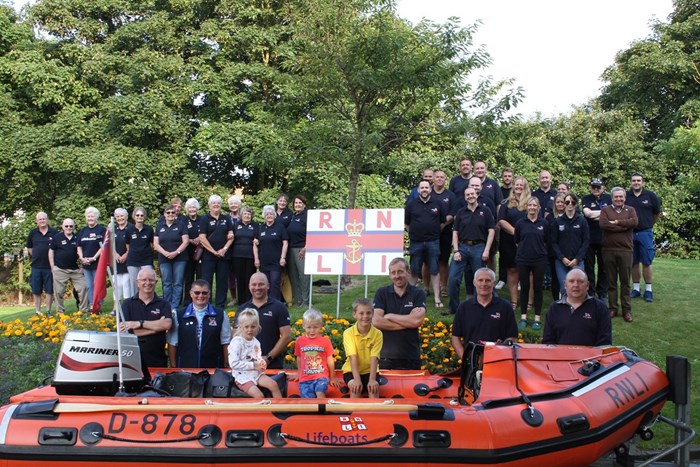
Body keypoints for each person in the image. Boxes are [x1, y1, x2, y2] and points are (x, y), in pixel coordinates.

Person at [447, 187, 495, 315]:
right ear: (464, 197)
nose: (470, 196)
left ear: (477, 194)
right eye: (467, 195)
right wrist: (456, 250)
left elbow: (491, 231)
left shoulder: (486, 211)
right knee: (453, 278)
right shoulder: (461, 212)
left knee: (480, 279)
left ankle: (477, 307)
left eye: (472, 194)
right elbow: (455, 232)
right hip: (462, 248)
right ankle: (454, 308)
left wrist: (487, 250)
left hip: (479, 247)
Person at [372, 257, 427, 370]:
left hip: (411, 357)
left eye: (400, 271)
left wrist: (390, 316)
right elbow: (376, 321)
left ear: (408, 272)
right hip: (385, 357)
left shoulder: (418, 293)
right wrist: (408, 322)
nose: (397, 276)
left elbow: (416, 321)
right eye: (393, 272)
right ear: (390, 275)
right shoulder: (381, 293)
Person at [451, 268, 517, 358]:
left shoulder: (505, 307)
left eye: (488, 280)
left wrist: (501, 352)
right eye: (480, 280)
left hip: (497, 361)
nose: (484, 284)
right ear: (474, 283)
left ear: (494, 283)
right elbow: (455, 337)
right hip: (471, 363)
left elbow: (512, 338)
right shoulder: (464, 307)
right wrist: (466, 360)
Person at [168, 279, 231, 368]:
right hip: (185, 368)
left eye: (204, 293)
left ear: (209, 294)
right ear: (191, 293)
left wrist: (226, 365)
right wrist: (173, 366)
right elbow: (172, 343)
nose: (200, 296)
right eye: (197, 293)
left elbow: (226, 342)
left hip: (213, 368)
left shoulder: (220, 314)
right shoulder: (178, 315)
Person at [404, 180, 447, 308]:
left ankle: (437, 299)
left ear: (430, 189)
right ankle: (409, 299)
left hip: (433, 241)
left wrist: (432, 232)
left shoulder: (438, 203)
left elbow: (442, 222)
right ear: (418, 190)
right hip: (416, 242)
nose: (424, 189)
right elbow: (407, 224)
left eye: (426, 187)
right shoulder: (411, 205)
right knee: (414, 270)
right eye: (422, 187)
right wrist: (416, 233)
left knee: (434, 269)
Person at [235, 272, 292, 369]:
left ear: (268, 286)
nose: (257, 287)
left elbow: (286, 336)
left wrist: (268, 358)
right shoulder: (242, 309)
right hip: (247, 367)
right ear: (249, 286)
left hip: (273, 365)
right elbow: (236, 336)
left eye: (261, 284)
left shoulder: (279, 307)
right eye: (254, 284)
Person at [543, 269, 612, 346]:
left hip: (592, 357)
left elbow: (604, 343)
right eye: (571, 281)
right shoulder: (554, 309)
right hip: (560, 357)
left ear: (587, 285)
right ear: (565, 284)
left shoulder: (600, 308)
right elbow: (548, 342)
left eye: (580, 281)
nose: (576, 285)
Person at [120, 268, 173, 369]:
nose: (148, 283)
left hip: (158, 361)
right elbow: (124, 331)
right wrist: (155, 329)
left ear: (156, 282)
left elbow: (167, 324)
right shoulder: (128, 304)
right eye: (144, 280)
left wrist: (139, 324)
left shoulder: (164, 304)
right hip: (132, 362)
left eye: (151, 280)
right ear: (137, 283)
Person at [600, 187, 638, 323]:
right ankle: (613, 308)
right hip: (608, 250)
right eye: (616, 197)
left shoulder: (631, 210)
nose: (618, 199)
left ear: (625, 198)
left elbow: (634, 222)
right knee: (611, 282)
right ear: (612, 198)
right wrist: (624, 226)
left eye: (621, 197)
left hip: (625, 250)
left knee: (625, 282)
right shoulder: (605, 210)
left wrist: (616, 222)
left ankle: (626, 310)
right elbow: (604, 225)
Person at [228, 308, 283, 398]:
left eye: (253, 327)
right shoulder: (237, 342)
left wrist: (261, 363)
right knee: (259, 395)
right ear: (241, 327)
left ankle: (281, 410)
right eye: (246, 327)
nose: (250, 330)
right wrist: (253, 365)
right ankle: (262, 411)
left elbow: (257, 358)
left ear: (257, 327)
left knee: (274, 385)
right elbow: (233, 363)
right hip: (242, 376)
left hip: (255, 373)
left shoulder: (256, 342)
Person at [514, 196, 548, 331]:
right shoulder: (520, 223)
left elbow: (546, 240)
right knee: (525, 287)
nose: (532, 208)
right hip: (523, 259)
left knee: (538, 288)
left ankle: (537, 319)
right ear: (526, 207)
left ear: (538, 207)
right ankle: (523, 317)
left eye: (535, 205)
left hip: (539, 259)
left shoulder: (544, 223)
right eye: (530, 205)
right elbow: (517, 240)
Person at [626, 173, 661, 302]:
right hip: (629, 233)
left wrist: (648, 224)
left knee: (647, 262)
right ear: (631, 182)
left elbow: (656, 214)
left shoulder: (651, 196)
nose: (636, 182)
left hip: (645, 233)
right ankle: (636, 289)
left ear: (643, 182)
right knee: (633, 262)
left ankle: (648, 290)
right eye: (634, 180)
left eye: (638, 180)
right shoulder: (626, 196)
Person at [497, 176, 530, 310]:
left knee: (529, 272)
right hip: (509, 242)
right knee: (512, 270)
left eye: (521, 185)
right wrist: (516, 233)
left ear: (525, 187)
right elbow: (501, 220)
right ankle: (514, 301)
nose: (518, 187)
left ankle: (528, 301)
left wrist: (523, 236)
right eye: (516, 185)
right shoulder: (506, 203)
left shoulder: (531, 202)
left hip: (527, 242)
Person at [293, 308, 340, 398]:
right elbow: (299, 358)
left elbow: (330, 360)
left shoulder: (325, 341)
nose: (312, 330)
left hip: (321, 376)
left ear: (321, 326)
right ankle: (312, 412)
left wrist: (332, 376)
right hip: (305, 378)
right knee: (308, 399)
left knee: (320, 393)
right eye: (309, 327)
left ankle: (322, 411)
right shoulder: (300, 341)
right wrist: (299, 373)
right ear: (303, 326)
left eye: (315, 327)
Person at [342, 298, 383, 398]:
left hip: (370, 371)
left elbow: (374, 358)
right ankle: (353, 412)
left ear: (373, 313)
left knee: (373, 389)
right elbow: (353, 357)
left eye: (368, 313)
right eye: (361, 313)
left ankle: (373, 413)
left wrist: (372, 380)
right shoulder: (348, 333)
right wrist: (357, 380)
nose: (365, 316)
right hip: (351, 371)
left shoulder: (377, 334)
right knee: (355, 388)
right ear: (354, 314)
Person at [199, 194, 234, 308]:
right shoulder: (204, 219)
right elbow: (202, 238)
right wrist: (213, 251)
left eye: (218, 203)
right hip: (208, 256)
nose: (216, 205)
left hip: (224, 256)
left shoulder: (226, 218)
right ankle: (206, 303)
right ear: (209, 205)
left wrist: (224, 249)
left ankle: (220, 304)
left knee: (222, 281)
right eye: (214, 203)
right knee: (207, 281)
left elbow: (231, 236)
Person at [551, 194, 589, 296]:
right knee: (564, 288)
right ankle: (564, 309)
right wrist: (562, 257)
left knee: (578, 288)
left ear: (576, 204)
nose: (570, 204)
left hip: (577, 260)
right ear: (564, 204)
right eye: (567, 202)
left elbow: (586, 241)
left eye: (573, 202)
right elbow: (553, 242)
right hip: (561, 261)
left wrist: (577, 258)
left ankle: (578, 310)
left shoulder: (582, 221)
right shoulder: (557, 221)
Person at [48, 218, 89, 313]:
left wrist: (82, 266)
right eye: (66, 226)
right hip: (60, 269)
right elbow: (51, 251)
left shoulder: (77, 238)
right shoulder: (57, 237)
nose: (68, 228)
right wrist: (52, 266)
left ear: (74, 227)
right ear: (62, 226)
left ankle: (83, 310)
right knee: (58, 292)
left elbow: (82, 252)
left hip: (75, 270)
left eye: (71, 226)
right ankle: (60, 312)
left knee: (83, 288)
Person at [582, 178, 612, 300]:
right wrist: (604, 214)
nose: (595, 189)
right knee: (589, 266)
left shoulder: (609, 198)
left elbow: (611, 214)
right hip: (589, 238)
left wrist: (597, 214)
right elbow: (587, 214)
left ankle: (602, 292)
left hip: (604, 237)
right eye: (593, 187)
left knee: (603, 267)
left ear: (603, 188)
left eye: (598, 187)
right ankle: (590, 291)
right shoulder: (586, 198)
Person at [154, 204, 189, 308]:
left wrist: (176, 252)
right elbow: (155, 243)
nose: (170, 214)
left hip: (180, 258)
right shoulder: (159, 226)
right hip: (164, 258)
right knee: (166, 283)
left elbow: (186, 241)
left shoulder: (181, 225)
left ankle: (175, 305)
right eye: (168, 212)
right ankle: (166, 304)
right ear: (164, 214)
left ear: (176, 214)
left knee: (178, 283)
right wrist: (164, 253)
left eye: (172, 212)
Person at [26, 212, 58, 315]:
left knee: (49, 290)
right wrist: (36, 255)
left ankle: (48, 311)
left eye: (44, 219)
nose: (42, 221)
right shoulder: (33, 233)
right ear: (37, 221)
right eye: (40, 219)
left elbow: (58, 248)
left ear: (47, 220)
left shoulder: (54, 232)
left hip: (50, 267)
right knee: (36, 290)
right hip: (36, 266)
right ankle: (38, 311)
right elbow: (29, 248)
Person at [255, 205, 288, 301]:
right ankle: (266, 301)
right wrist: (256, 259)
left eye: (271, 214)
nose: (269, 216)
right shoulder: (260, 228)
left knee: (274, 282)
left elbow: (285, 243)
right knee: (265, 283)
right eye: (267, 214)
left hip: (276, 261)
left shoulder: (280, 227)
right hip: (264, 261)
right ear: (264, 216)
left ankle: (275, 302)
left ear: (274, 215)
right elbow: (255, 243)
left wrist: (283, 257)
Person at [431, 170, 456, 297]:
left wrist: (442, 225)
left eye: (442, 177)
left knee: (443, 260)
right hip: (428, 233)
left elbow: (452, 214)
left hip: (445, 232)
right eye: (437, 177)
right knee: (427, 261)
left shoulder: (450, 195)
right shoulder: (427, 192)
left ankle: (443, 287)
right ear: (433, 179)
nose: (440, 179)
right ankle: (425, 287)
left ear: (445, 179)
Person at [77, 206, 106, 310]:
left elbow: (104, 246)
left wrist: (94, 258)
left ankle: (99, 305)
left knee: (98, 285)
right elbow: (79, 246)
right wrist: (82, 258)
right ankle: (92, 305)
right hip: (86, 264)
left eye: (92, 216)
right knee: (89, 286)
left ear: (96, 217)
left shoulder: (102, 230)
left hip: (98, 263)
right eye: (88, 216)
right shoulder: (83, 231)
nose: (90, 218)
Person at [287, 195, 311, 306]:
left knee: (304, 275)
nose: (297, 205)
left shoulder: (307, 216)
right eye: (296, 203)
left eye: (300, 203)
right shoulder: (293, 216)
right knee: (293, 275)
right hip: (291, 249)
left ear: (304, 204)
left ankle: (306, 300)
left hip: (301, 249)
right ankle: (298, 299)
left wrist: (305, 247)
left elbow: (311, 233)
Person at [232, 206, 258, 305]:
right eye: (245, 214)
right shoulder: (235, 225)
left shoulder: (255, 225)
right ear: (241, 215)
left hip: (250, 256)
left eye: (249, 214)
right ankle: (241, 301)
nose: (247, 216)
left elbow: (257, 239)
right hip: (237, 255)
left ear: (251, 216)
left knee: (249, 278)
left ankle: (250, 300)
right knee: (239, 278)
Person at [126, 206, 155, 297]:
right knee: (134, 282)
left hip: (146, 259)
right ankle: (134, 302)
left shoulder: (149, 229)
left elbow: (152, 244)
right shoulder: (129, 229)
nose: (139, 217)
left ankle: (148, 299)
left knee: (148, 281)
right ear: (134, 216)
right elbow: (127, 244)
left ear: (144, 217)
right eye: (137, 215)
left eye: (141, 215)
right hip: (133, 260)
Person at [183, 198, 202, 305]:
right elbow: (181, 234)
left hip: (200, 252)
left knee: (200, 276)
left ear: (197, 208)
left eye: (194, 207)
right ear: (187, 209)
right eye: (190, 207)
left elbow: (206, 231)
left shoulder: (202, 219)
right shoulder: (183, 221)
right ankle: (187, 300)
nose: (192, 209)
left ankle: (200, 297)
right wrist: (190, 240)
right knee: (188, 277)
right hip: (187, 252)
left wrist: (200, 239)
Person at [112, 208, 132, 304]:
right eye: (118, 216)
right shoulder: (113, 229)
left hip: (129, 260)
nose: (120, 218)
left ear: (126, 217)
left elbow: (134, 244)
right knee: (117, 284)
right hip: (116, 261)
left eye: (122, 216)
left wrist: (126, 255)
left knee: (126, 283)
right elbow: (110, 244)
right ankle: (116, 307)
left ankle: (127, 304)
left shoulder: (131, 228)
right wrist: (115, 254)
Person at [227, 195, 242, 306]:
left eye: (235, 203)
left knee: (241, 274)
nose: (233, 205)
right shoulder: (226, 218)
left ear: (239, 205)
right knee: (231, 275)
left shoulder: (244, 216)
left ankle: (243, 296)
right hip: (229, 250)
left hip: (241, 250)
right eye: (231, 203)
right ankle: (234, 298)